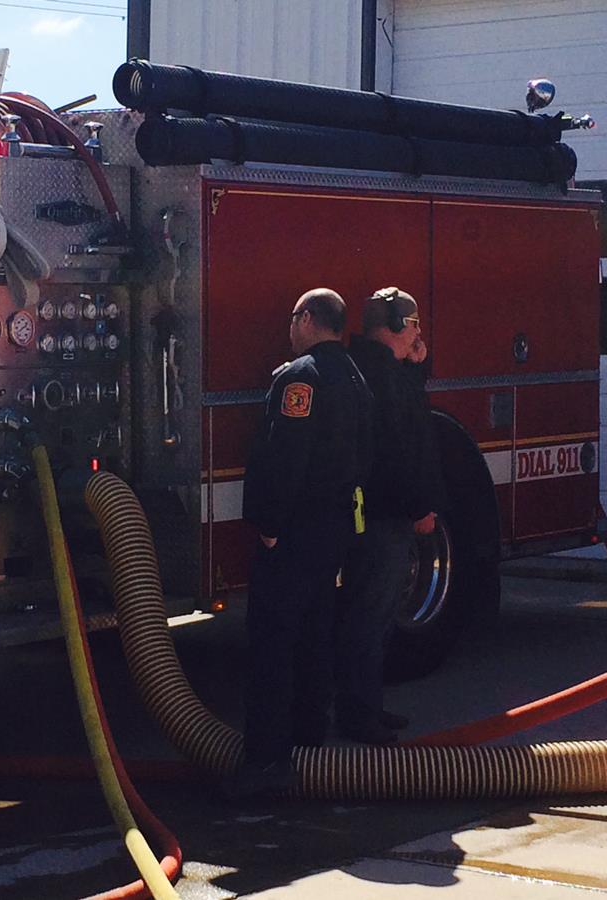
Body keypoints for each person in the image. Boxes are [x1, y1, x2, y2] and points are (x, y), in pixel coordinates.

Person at [226, 287, 373, 799]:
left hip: (294, 537)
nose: (289, 329)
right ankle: (310, 741)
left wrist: (268, 523)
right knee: (315, 638)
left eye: (293, 319)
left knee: (273, 646)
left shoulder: (299, 379)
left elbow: (286, 459)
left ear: (309, 319)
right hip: (334, 533)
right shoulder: (355, 376)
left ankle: (267, 763)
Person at [336, 287, 444, 745]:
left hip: (372, 514)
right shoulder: (381, 376)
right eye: (414, 323)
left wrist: (416, 366)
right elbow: (403, 449)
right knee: (370, 617)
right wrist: (419, 508)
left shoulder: (377, 369)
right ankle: (359, 718)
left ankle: (367, 707)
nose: (419, 331)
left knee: (373, 618)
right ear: (396, 326)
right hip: (384, 519)